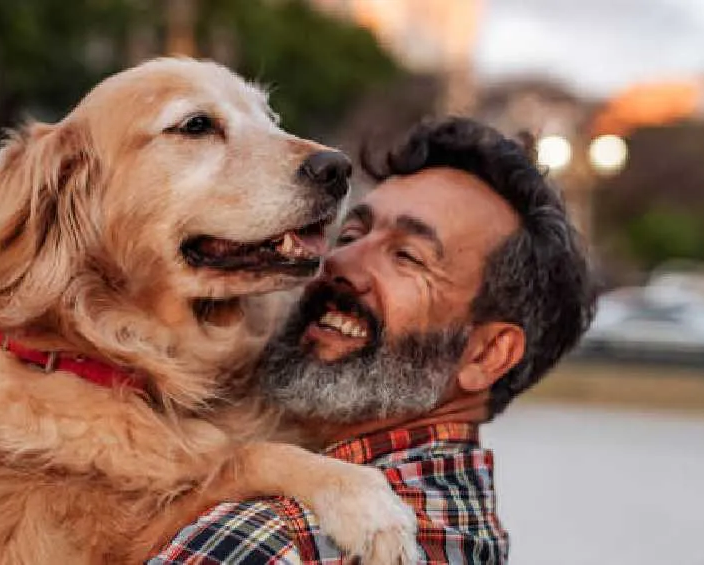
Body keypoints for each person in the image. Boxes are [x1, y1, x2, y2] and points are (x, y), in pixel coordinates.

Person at [150, 117, 596, 564]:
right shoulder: (468, 534)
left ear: (487, 353)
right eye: (349, 235)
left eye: (406, 256)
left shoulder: (283, 537)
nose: (339, 261)